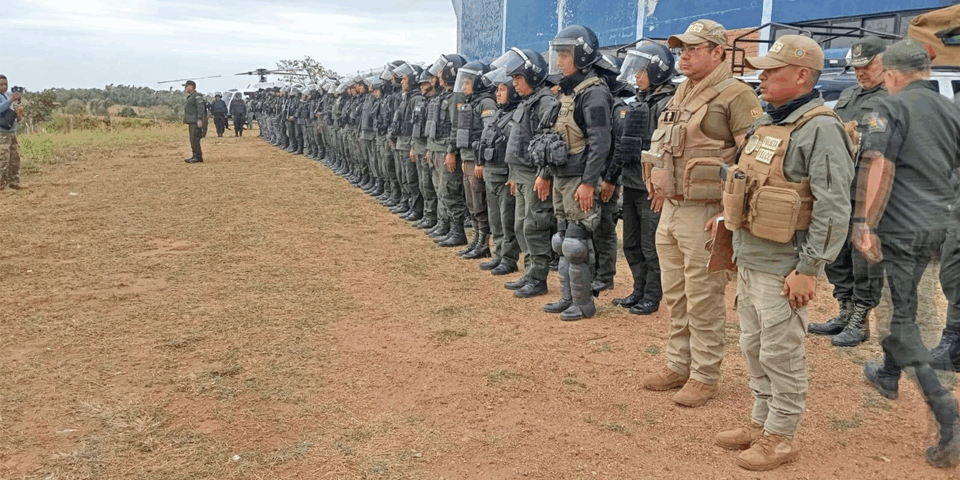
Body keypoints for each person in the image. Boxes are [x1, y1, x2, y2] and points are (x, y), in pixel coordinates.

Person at [713, 35, 854, 471]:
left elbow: (833, 208)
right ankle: (761, 422)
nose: (763, 77)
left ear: (801, 75)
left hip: (785, 265)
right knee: (754, 346)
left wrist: (810, 268)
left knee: (782, 351)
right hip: (753, 257)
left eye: (772, 71)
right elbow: (747, 181)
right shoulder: (765, 123)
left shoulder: (821, 129)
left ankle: (782, 435)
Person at [640, 19, 762, 407]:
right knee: (676, 295)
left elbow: (753, 161)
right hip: (674, 209)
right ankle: (679, 363)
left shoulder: (736, 95)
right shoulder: (681, 94)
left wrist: (729, 212)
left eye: (694, 48)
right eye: (681, 49)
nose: (684, 55)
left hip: (707, 212)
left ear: (718, 52)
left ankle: (705, 374)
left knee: (704, 297)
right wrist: (660, 185)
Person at [855, 39, 960, 468]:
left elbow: (878, 163)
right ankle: (888, 372)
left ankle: (946, 413)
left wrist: (864, 223)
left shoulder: (890, 107)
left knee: (900, 318)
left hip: (900, 228)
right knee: (907, 304)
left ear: (892, 75)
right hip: (940, 226)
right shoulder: (952, 110)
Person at [809, 36, 888, 347]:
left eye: (866, 65)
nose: (860, 72)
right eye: (856, 67)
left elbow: (884, 151)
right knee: (836, 253)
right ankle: (845, 309)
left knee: (863, 257)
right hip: (840, 186)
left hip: (871, 189)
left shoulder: (893, 99)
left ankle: (861, 317)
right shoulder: (847, 95)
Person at [537, 25, 613, 320]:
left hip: (579, 179)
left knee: (575, 244)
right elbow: (554, 139)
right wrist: (545, 173)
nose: (560, 61)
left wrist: (588, 183)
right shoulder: (568, 92)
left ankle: (583, 304)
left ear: (582, 56)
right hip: (561, 176)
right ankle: (567, 297)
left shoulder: (594, 94)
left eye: (565, 54)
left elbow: (600, 143)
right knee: (561, 242)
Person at [609, 42, 677, 316]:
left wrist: (662, 187)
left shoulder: (669, 104)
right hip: (632, 184)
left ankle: (652, 296)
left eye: (642, 71)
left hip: (652, 188)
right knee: (631, 244)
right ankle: (638, 290)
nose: (636, 76)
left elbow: (669, 151)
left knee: (651, 246)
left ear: (658, 72)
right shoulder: (636, 103)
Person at [500, 48, 559, 298]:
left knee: (535, 226)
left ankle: (538, 278)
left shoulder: (546, 102)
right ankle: (529, 272)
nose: (515, 84)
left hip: (535, 175)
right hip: (522, 174)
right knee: (522, 225)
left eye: (518, 78)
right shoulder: (528, 101)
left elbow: (550, 142)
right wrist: (513, 174)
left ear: (533, 76)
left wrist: (544, 175)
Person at [476, 67, 522, 276]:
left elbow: (515, 149)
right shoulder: (498, 114)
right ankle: (499, 254)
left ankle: (509, 258)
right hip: (491, 173)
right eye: (497, 90)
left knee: (506, 220)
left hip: (504, 175)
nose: (498, 94)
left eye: (502, 90)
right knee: (495, 219)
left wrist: (513, 175)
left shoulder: (516, 115)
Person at [452, 61, 497, 259]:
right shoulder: (470, 103)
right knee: (471, 204)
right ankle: (476, 240)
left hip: (477, 161)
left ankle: (483, 244)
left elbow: (488, 134)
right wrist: (464, 156)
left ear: (478, 82)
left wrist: (479, 161)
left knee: (479, 204)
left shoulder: (486, 103)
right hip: (468, 159)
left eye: (467, 82)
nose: (463, 86)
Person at [0, 74, 23, 189]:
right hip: (2, 133)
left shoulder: (6, 97)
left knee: (14, 158)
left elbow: (10, 115)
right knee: (3, 160)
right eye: (1, 84)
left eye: (5, 84)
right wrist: (10, 100)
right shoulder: (7, 99)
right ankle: (2, 185)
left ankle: (13, 182)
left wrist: (18, 115)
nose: (4, 87)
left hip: (11, 132)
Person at [182, 80, 205, 163]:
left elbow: (200, 108)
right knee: (192, 139)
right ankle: (195, 155)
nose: (185, 89)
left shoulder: (196, 96)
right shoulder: (191, 96)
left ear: (191, 87)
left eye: (186, 86)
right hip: (192, 121)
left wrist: (199, 119)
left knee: (195, 139)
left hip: (195, 121)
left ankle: (198, 157)